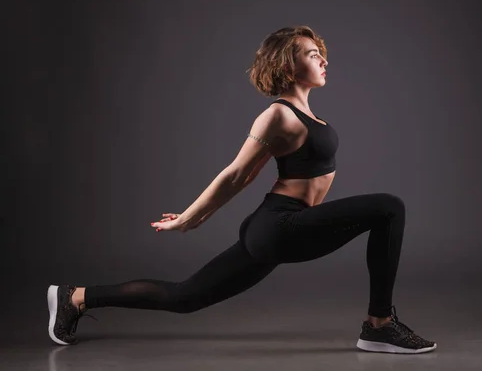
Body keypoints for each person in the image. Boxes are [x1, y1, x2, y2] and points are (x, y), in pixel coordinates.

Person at [47, 25, 437, 354]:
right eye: (312, 53)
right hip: (280, 226)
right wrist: (189, 219)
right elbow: (236, 175)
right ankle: (379, 324)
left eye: (321, 53)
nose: (323, 59)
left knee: (186, 298)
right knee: (389, 207)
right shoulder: (277, 115)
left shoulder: (309, 114)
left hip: (281, 228)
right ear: (288, 63)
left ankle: (75, 296)